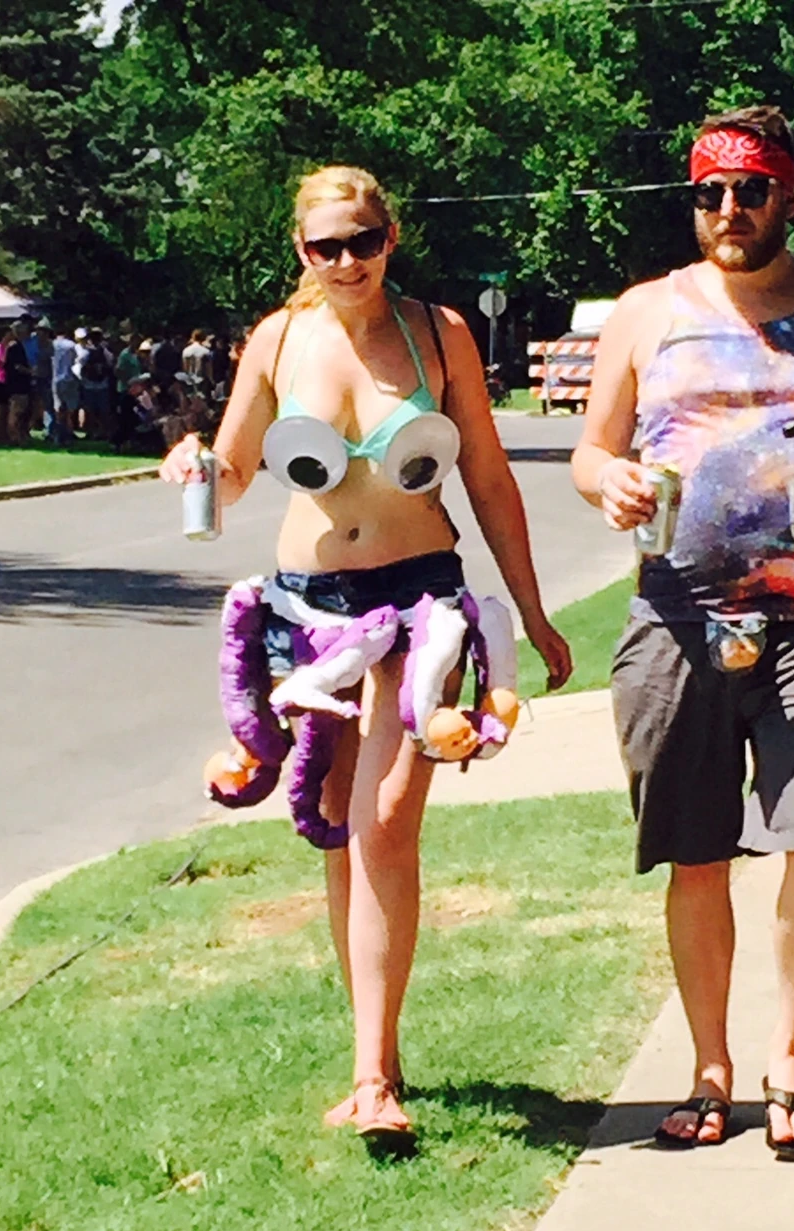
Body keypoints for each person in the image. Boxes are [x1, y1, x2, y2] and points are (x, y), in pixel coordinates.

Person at [161, 165, 571, 1139]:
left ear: (391, 239)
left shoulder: (439, 333)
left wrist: (533, 612)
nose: (345, 261)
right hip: (311, 614)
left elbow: (490, 479)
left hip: (417, 605)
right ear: (301, 252)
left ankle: (376, 1081)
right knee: (342, 825)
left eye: (362, 241)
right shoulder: (278, 338)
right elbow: (234, 465)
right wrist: (194, 466)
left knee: (386, 822)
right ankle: (373, 1064)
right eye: (324, 247)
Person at [572, 105, 794, 1160]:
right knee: (696, 851)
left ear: (788, 191)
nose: (729, 209)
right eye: (709, 192)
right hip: (677, 617)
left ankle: (790, 1054)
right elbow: (591, 450)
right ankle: (710, 1065)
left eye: (750, 189)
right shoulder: (648, 311)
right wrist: (607, 477)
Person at [77, 327, 114, 439]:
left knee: (96, 410)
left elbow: (80, 365)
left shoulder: (89, 351)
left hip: (95, 384)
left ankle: (98, 432)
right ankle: (96, 431)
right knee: (95, 410)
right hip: (97, 383)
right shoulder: (103, 351)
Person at [51, 323, 80, 446]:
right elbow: (75, 360)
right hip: (69, 378)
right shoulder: (71, 345)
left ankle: (58, 435)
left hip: (55, 379)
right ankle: (68, 433)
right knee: (69, 409)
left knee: (58, 408)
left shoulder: (51, 344)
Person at [182, 328, 213, 399]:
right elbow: (209, 368)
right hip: (202, 379)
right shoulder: (206, 351)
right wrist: (211, 379)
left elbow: (184, 366)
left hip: (189, 380)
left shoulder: (186, 350)